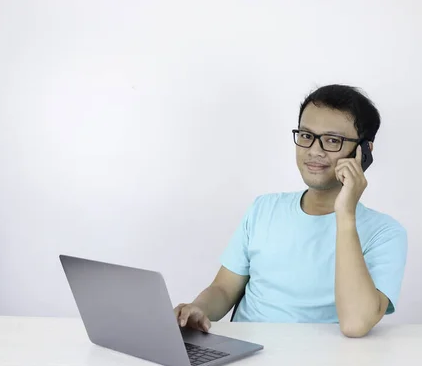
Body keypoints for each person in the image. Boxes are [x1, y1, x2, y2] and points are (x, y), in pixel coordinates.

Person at [174, 84, 408, 338]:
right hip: (243, 357)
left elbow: (355, 324)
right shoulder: (263, 208)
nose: (314, 151)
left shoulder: (386, 233)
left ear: (364, 152)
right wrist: (198, 309)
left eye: (332, 140)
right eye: (307, 136)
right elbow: (223, 289)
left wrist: (345, 214)